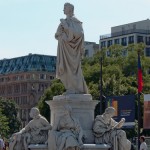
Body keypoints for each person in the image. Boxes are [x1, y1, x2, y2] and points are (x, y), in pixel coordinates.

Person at [55, 2, 88, 95]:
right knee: (65, 69)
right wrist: (60, 33)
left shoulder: (75, 21)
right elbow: (57, 34)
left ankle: (76, 88)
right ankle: (70, 88)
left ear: (70, 9)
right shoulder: (63, 22)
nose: (63, 9)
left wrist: (67, 28)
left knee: (73, 69)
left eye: (64, 8)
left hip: (73, 50)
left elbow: (79, 34)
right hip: (64, 49)